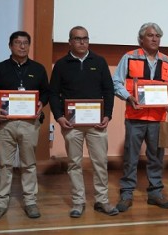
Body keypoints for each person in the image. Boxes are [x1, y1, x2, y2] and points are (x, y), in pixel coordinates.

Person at [50, 26, 118, 218]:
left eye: (85, 38)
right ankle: (78, 202)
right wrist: (59, 116)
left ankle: (102, 200)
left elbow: (108, 90)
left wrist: (107, 115)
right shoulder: (62, 64)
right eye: (78, 39)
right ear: (69, 42)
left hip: (97, 124)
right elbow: (54, 93)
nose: (82, 42)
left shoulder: (99, 61)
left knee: (100, 163)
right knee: (74, 164)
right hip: (71, 125)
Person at [113, 22, 168, 212]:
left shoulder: (167, 61)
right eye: (150, 35)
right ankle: (126, 193)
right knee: (131, 157)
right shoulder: (129, 57)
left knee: (157, 157)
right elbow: (116, 81)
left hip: (158, 118)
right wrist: (128, 96)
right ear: (141, 38)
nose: (154, 38)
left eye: (157, 35)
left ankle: (155, 193)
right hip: (135, 116)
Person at [0, 31, 49, 221]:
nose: (22, 46)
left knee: (28, 164)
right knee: (4, 164)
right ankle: (0, 202)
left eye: (25, 43)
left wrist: (40, 103)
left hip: (30, 124)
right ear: (10, 46)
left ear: (29, 46)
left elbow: (45, 92)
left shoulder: (38, 69)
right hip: (6, 124)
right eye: (17, 43)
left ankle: (30, 201)